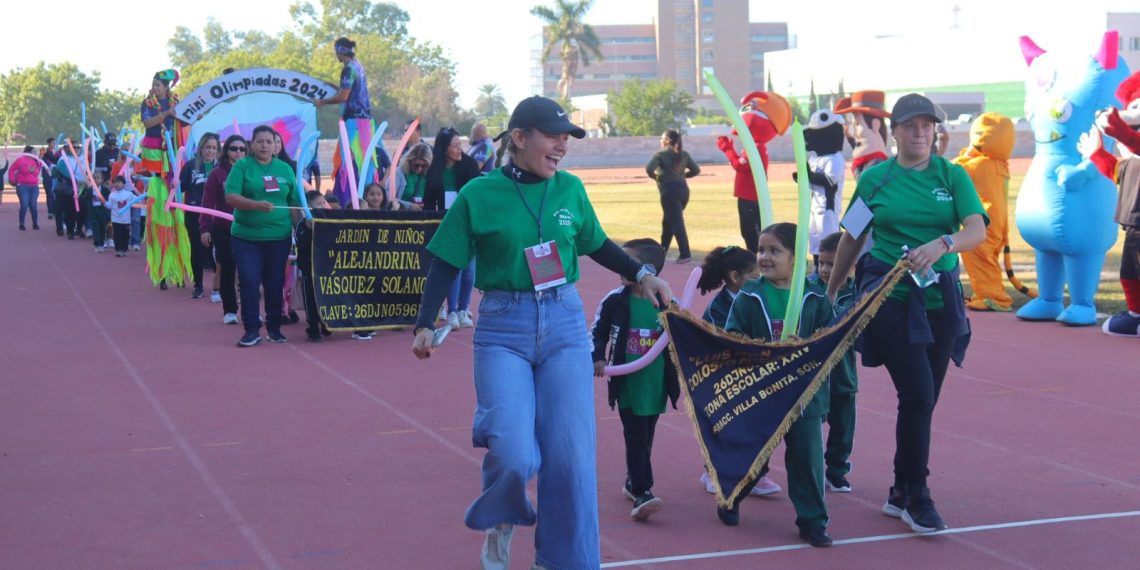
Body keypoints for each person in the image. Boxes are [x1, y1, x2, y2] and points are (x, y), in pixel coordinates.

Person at [411, 96, 672, 570]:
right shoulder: (478, 194)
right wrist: (425, 322)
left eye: (566, 138)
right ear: (519, 138)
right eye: (553, 137)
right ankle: (501, 515)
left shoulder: (570, 189)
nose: (562, 146)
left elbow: (597, 244)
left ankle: (560, 561)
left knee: (571, 459)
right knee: (512, 452)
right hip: (503, 326)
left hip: (564, 324)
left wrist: (642, 274)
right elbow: (446, 261)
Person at [826, 93, 987, 534]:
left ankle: (899, 490)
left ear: (935, 131)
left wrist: (944, 244)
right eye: (911, 126)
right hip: (889, 297)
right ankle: (918, 495)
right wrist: (833, 289)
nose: (920, 133)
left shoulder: (952, 176)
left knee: (924, 399)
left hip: (941, 300)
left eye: (926, 126)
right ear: (893, 131)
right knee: (917, 394)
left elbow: (976, 229)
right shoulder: (875, 179)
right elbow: (852, 237)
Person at [723, 222, 835, 547]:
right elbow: (733, 337)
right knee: (751, 456)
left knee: (807, 460)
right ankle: (731, 495)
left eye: (775, 250)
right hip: (761, 396)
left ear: (796, 257)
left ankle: (813, 521)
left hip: (804, 397)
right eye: (761, 250)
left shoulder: (815, 296)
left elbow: (832, 338)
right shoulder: (749, 296)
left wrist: (810, 346)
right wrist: (756, 354)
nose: (764, 257)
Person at [590, 238, 679, 523]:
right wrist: (597, 357)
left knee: (646, 436)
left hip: (656, 384)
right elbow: (598, 331)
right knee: (637, 436)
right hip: (627, 383)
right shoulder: (615, 300)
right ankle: (643, 491)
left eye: (628, 261)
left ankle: (633, 480)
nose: (621, 266)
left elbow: (684, 338)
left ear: (648, 270)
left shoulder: (668, 304)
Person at [224, 125, 302, 347]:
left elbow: (294, 203)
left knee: (274, 283)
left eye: (270, 142)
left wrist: (300, 230)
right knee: (249, 281)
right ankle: (251, 330)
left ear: (276, 146)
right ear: (252, 145)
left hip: (279, 237)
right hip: (246, 237)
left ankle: (274, 329)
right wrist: (255, 205)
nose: (265, 146)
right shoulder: (242, 166)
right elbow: (230, 196)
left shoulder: (285, 169)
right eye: (260, 141)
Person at [811, 232, 859, 494]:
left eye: (833, 264)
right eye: (822, 263)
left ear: (851, 265)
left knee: (843, 424)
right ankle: (810, 467)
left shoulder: (858, 291)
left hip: (843, 372)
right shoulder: (809, 288)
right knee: (810, 424)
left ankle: (837, 469)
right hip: (813, 373)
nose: (826, 269)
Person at [424, 126, 481, 330]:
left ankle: (464, 308)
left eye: (460, 145)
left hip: (467, 223)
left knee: (469, 270)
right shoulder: (435, 169)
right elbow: (429, 201)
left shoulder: (469, 165)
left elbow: (476, 196)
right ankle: (452, 310)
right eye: (454, 146)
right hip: (445, 224)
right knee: (453, 269)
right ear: (444, 148)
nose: (459, 149)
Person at [315, 37, 372, 206]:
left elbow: (344, 97)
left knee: (349, 162)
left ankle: (348, 198)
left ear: (340, 51)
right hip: (364, 122)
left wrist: (323, 102)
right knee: (362, 162)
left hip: (353, 123)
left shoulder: (348, 69)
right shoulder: (357, 65)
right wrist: (335, 87)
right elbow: (351, 91)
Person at [201, 134, 244, 325]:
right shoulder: (217, 174)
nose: (238, 152)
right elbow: (207, 203)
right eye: (234, 148)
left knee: (248, 271)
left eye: (242, 149)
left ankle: (249, 310)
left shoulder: (251, 172)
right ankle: (230, 310)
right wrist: (204, 228)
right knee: (227, 269)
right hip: (223, 228)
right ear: (226, 151)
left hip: (249, 228)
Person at [646, 128, 700, 264]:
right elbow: (696, 170)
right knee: (668, 222)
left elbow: (649, 169)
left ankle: (685, 253)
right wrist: (682, 176)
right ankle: (662, 250)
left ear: (667, 140)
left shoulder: (661, 154)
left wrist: (658, 178)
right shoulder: (684, 154)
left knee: (676, 223)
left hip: (669, 192)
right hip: (683, 191)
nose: (660, 141)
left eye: (662, 138)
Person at [182, 133, 219, 298]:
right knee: (196, 249)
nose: (210, 151)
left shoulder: (221, 167)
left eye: (214, 148)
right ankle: (198, 286)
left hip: (216, 215)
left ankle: (220, 284)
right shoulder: (190, 166)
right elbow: (180, 187)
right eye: (207, 147)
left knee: (215, 250)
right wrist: (173, 184)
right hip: (194, 213)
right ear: (201, 148)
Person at [298, 191, 332, 342]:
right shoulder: (302, 225)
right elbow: (301, 243)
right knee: (310, 299)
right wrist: (308, 229)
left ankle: (326, 322)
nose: (323, 206)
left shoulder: (328, 221)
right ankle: (313, 327)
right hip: (309, 269)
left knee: (327, 297)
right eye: (319, 204)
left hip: (326, 269)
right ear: (308, 207)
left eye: (324, 203)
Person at [139, 69, 180, 176]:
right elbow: (147, 123)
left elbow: (182, 121)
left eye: (157, 85)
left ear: (166, 87)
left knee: (172, 177)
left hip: (171, 147)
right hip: (153, 149)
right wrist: (167, 113)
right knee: (155, 178)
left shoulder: (175, 101)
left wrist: (196, 118)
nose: (154, 87)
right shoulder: (147, 102)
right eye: (153, 84)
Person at [9, 146, 42, 230]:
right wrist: (12, 179)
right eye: (34, 152)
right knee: (24, 204)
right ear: (28, 152)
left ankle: (35, 223)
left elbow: (39, 169)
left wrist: (41, 156)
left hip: (34, 186)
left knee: (33, 205)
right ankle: (22, 223)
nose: (35, 153)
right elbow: (11, 169)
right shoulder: (20, 160)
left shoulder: (36, 161)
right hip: (23, 186)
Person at [52, 144, 80, 238]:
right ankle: (60, 228)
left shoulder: (81, 159)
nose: (77, 149)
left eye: (78, 147)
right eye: (75, 147)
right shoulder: (63, 159)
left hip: (76, 188)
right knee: (60, 209)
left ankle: (70, 231)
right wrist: (74, 180)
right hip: (64, 187)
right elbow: (63, 172)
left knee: (71, 210)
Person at [394, 142, 431, 210]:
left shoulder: (428, 175)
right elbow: (389, 198)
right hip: (402, 213)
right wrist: (409, 206)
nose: (419, 168)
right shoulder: (399, 173)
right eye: (416, 165)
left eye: (423, 166)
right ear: (409, 161)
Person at [109, 175, 134, 257]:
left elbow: (137, 200)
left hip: (126, 220)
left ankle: (124, 249)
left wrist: (144, 199)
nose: (117, 184)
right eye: (115, 182)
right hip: (116, 219)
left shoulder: (129, 194)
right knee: (117, 235)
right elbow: (109, 206)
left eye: (119, 182)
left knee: (126, 235)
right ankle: (118, 250)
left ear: (123, 184)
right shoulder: (112, 195)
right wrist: (103, 202)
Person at [88, 170, 112, 252]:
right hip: (93, 210)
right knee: (95, 228)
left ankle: (102, 242)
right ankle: (97, 244)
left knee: (102, 227)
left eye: (98, 178)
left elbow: (109, 198)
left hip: (102, 211)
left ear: (102, 180)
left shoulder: (105, 189)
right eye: (94, 178)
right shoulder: (89, 190)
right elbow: (86, 199)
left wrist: (103, 200)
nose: (96, 180)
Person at [41, 138, 59, 220]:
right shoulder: (45, 152)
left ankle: (55, 211)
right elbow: (45, 161)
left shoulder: (56, 152)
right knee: (49, 193)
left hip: (55, 176)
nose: (54, 144)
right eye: (52, 143)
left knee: (55, 194)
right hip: (47, 175)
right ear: (48, 143)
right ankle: (50, 212)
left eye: (55, 143)